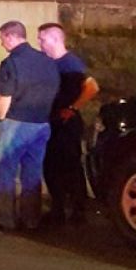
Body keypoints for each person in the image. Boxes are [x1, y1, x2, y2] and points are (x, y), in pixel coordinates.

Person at [0, 21, 61, 231]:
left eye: (3, 38)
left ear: (11, 36)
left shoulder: (11, 63)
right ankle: (31, 219)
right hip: (41, 123)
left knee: (5, 170)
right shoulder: (47, 62)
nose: (2, 43)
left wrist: (1, 121)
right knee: (32, 172)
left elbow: (5, 96)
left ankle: (6, 220)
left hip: (15, 123)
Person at [38, 22, 99, 226]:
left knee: (71, 166)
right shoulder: (47, 63)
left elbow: (91, 87)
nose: (39, 42)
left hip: (67, 124)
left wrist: (73, 108)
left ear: (55, 39)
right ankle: (58, 208)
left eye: (42, 38)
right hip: (51, 121)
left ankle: (77, 210)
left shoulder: (70, 63)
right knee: (51, 166)